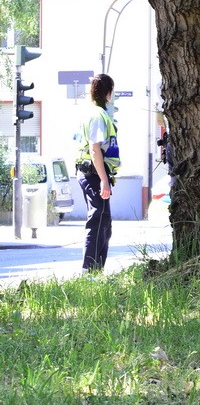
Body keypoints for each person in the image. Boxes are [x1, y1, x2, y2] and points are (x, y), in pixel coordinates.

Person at [75, 74, 119, 272]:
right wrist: (104, 180)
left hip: (94, 173)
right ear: (108, 94)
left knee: (104, 222)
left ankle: (96, 269)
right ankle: (89, 270)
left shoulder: (95, 114)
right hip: (93, 174)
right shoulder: (98, 116)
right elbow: (95, 149)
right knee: (98, 219)